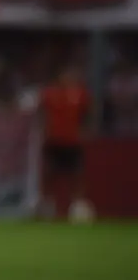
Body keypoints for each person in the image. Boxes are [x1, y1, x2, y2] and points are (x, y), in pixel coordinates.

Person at [34, 65, 92, 221]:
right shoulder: (49, 93)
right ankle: (47, 206)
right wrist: (42, 129)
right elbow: (40, 112)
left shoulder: (80, 93)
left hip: (73, 141)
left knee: (76, 175)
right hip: (53, 141)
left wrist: (85, 130)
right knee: (49, 174)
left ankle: (78, 207)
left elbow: (87, 113)